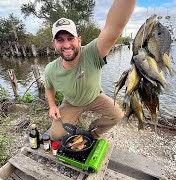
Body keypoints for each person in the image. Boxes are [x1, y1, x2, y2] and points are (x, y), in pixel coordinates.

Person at [44, 0, 136, 141]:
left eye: (70, 38)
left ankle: (93, 132)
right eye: (60, 40)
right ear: (54, 44)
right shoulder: (50, 69)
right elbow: (49, 88)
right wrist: (52, 106)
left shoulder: (93, 52)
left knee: (117, 115)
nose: (67, 44)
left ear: (79, 40)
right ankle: (73, 122)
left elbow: (113, 28)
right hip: (71, 103)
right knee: (55, 136)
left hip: (95, 97)